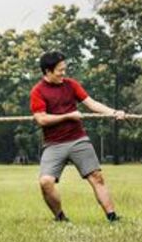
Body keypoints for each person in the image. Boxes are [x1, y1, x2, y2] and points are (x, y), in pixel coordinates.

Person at [30, 51, 126, 223]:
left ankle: (113, 218)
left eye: (64, 69)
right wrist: (68, 116)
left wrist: (113, 112)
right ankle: (60, 218)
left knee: (97, 177)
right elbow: (42, 119)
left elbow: (92, 103)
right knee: (45, 182)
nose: (63, 73)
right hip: (54, 144)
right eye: (60, 70)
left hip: (77, 139)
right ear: (47, 71)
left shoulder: (71, 85)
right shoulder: (38, 91)